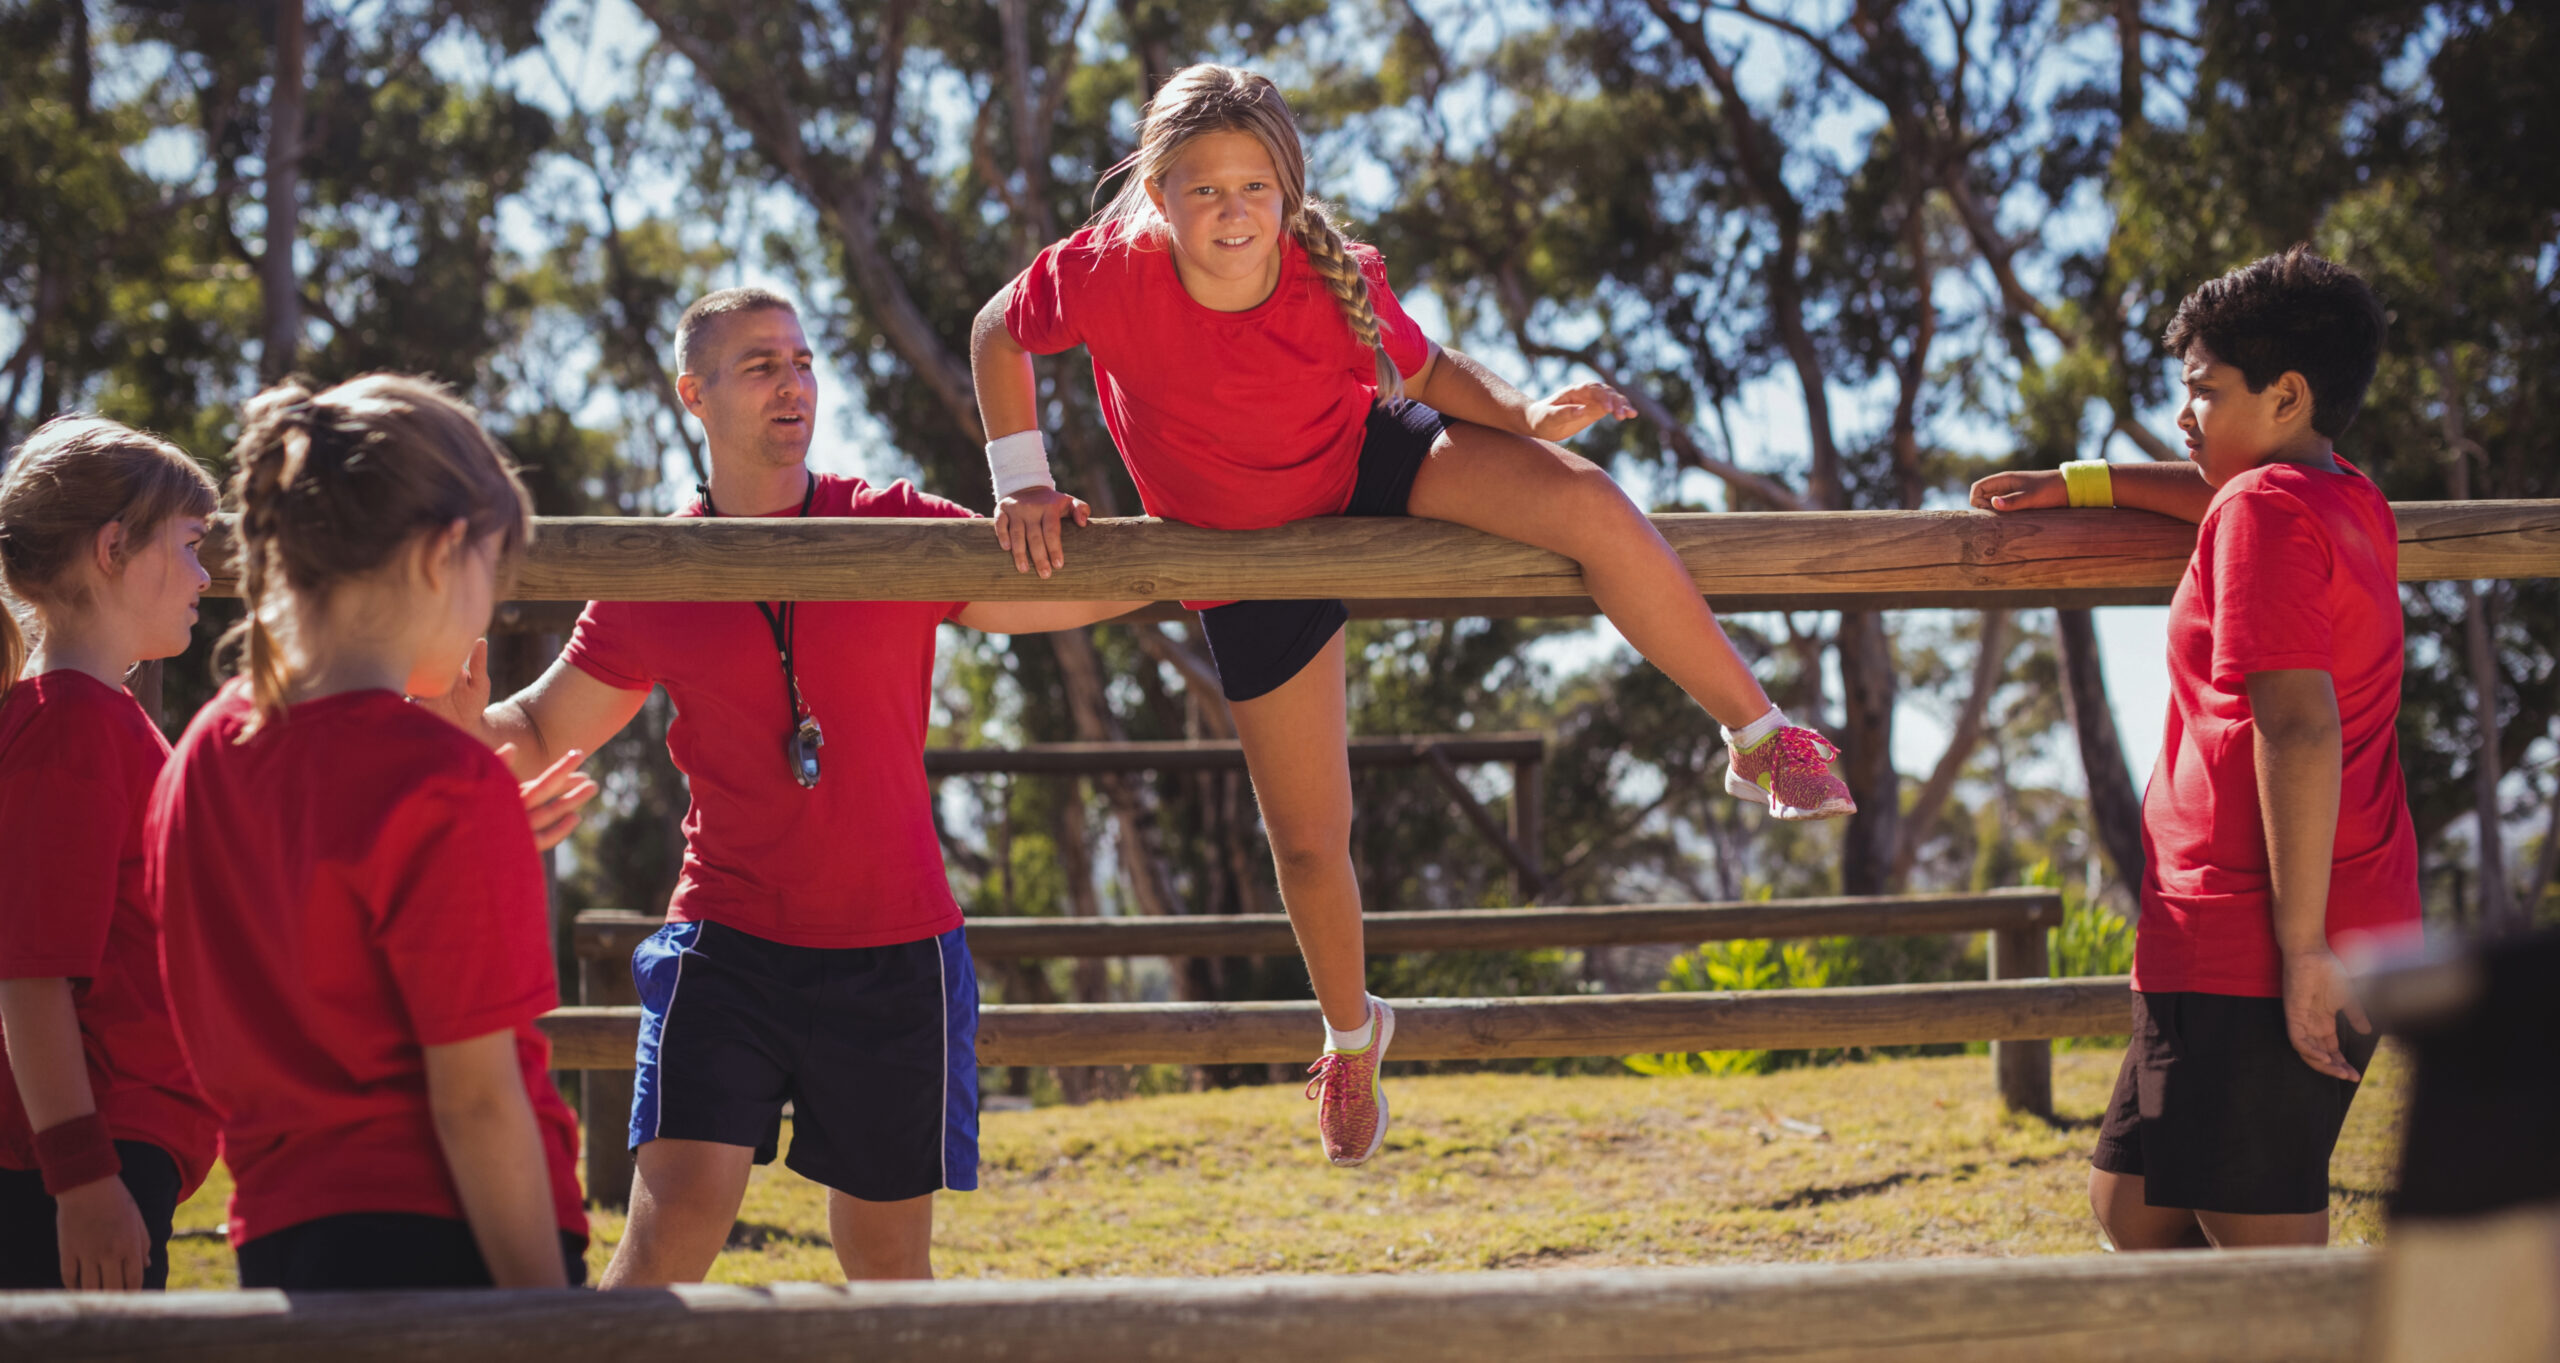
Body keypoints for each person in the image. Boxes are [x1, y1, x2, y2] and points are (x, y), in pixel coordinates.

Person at [968, 64, 1857, 1167]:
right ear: (1156, 192)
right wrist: (1020, 480)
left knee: (1582, 495)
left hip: (1362, 462)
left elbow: (1427, 369)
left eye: (1255, 186)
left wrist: (1528, 411)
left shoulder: (1327, 276)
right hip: (1236, 547)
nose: (1232, 211)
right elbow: (997, 333)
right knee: (1305, 836)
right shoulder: (1104, 274)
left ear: (1289, 193)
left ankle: (1757, 734)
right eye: (1203, 190)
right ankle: (1352, 1037)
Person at [424, 287, 1141, 1285]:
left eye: (802, 361)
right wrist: (440, 715)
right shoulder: (656, 568)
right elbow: (543, 726)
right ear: (695, 393)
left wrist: (1203, 548)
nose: (792, 381)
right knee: (673, 1224)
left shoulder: (894, 526)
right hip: (727, 941)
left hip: (899, 953)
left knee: (889, 1268)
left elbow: (1058, 585)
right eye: (760, 364)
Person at [1971, 246, 2419, 1249]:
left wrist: (2300, 952)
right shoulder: (2341, 496)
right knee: (2136, 1211)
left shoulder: (2262, 512)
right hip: (2265, 928)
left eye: (2205, 393)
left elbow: (2298, 725)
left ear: (2288, 394)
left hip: (2260, 941)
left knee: (2256, 1254)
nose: (2185, 416)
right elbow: (2210, 495)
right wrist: (2077, 484)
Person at [149, 375, 599, 1289]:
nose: (492, 607)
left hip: (279, 1243)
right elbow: (475, 1104)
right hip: (460, 1248)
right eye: (493, 574)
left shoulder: (201, 753)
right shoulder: (442, 782)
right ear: (442, 555)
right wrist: (549, 1321)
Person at [0, 419, 221, 1290]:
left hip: (109, 1155)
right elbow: (27, 976)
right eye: (193, 545)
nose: (206, 575)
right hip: (78, 1169)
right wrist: (85, 1180)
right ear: (112, 547)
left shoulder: (93, 719)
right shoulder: (74, 728)